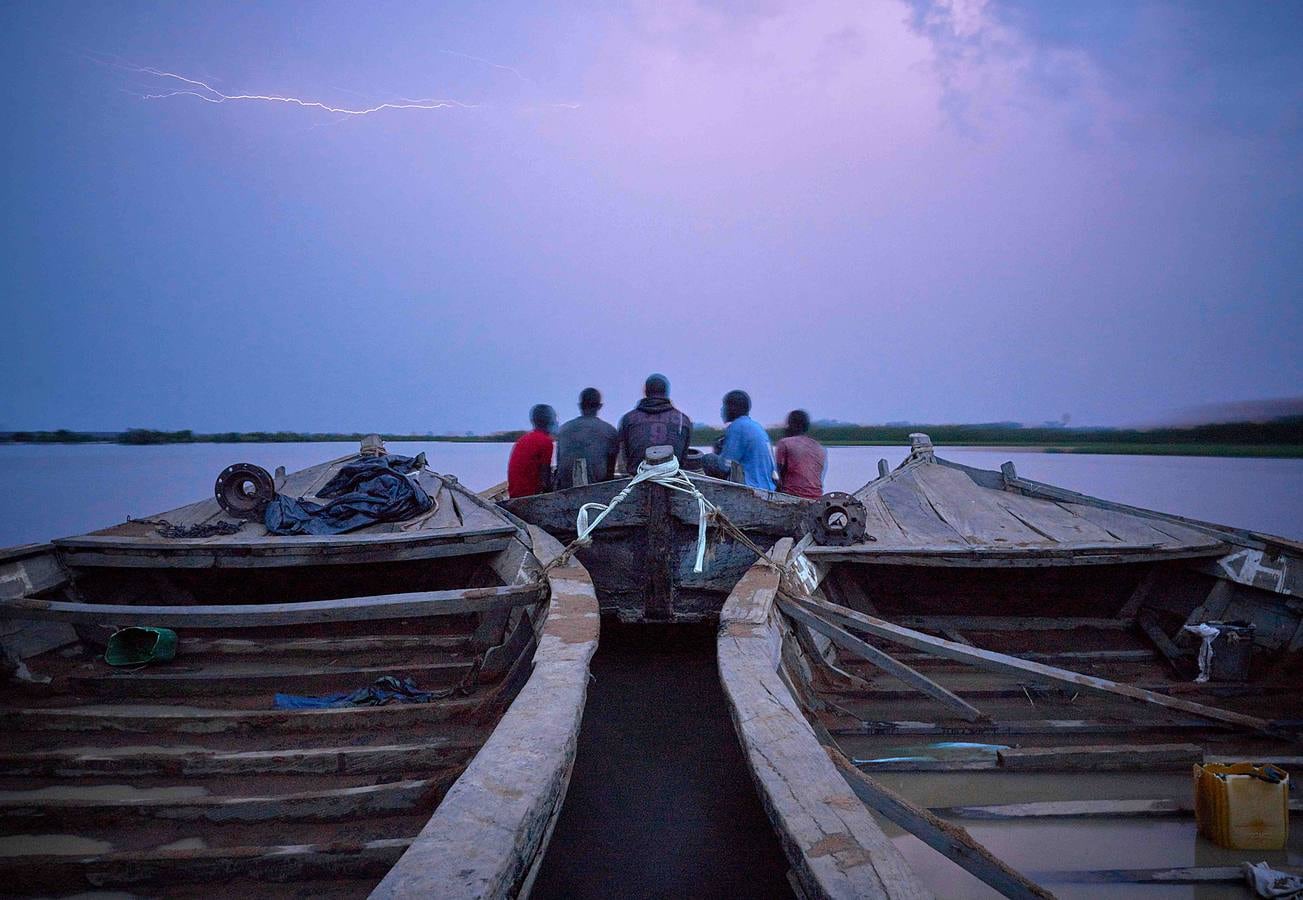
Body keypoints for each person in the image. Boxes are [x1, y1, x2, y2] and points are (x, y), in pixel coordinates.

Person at [701, 390, 776, 490]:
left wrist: (718, 452)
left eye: (724, 406)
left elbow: (725, 466)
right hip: (768, 487)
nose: (722, 410)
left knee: (708, 459)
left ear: (732, 408)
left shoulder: (737, 427)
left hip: (751, 486)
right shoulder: (756, 426)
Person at [617, 373, 693, 471]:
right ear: (666, 392)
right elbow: (683, 459)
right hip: (672, 477)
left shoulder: (628, 419)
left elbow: (625, 457)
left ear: (645, 392)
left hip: (638, 476)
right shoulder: (684, 420)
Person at [555, 387, 619, 489]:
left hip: (565, 490)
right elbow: (609, 473)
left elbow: (559, 465)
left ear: (580, 406)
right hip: (597, 491)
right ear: (600, 406)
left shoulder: (563, 430)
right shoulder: (610, 431)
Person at [506, 404, 556, 498]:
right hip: (529, 496)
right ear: (550, 421)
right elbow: (545, 479)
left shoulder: (523, 439)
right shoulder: (546, 442)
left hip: (514, 495)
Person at [774, 409, 826, 499]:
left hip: (791, 496)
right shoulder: (820, 447)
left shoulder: (785, 443)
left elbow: (777, 475)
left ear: (790, 425)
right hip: (817, 498)